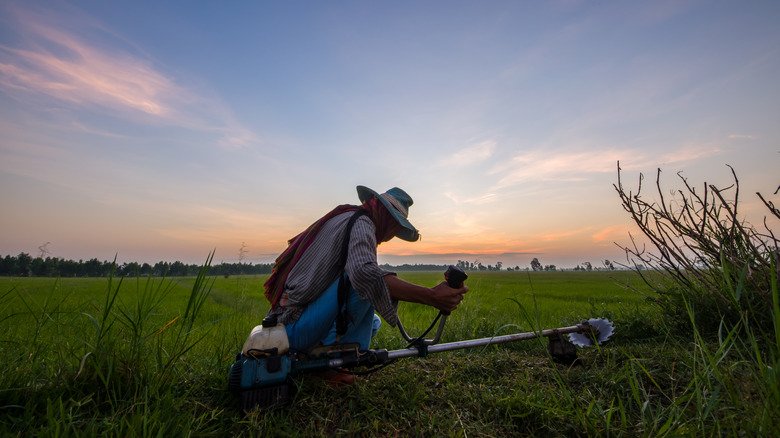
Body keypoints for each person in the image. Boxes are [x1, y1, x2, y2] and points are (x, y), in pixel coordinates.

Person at [263, 185, 468, 362]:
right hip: (292, 328)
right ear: (387, 218)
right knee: (364, 279)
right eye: (395, 228)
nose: (390, 237)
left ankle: (318, 352)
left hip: (289, 321)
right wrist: (431, 296)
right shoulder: (363, 223)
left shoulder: (348, 217)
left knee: (373, 323)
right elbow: (363, 273)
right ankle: (338, 362)